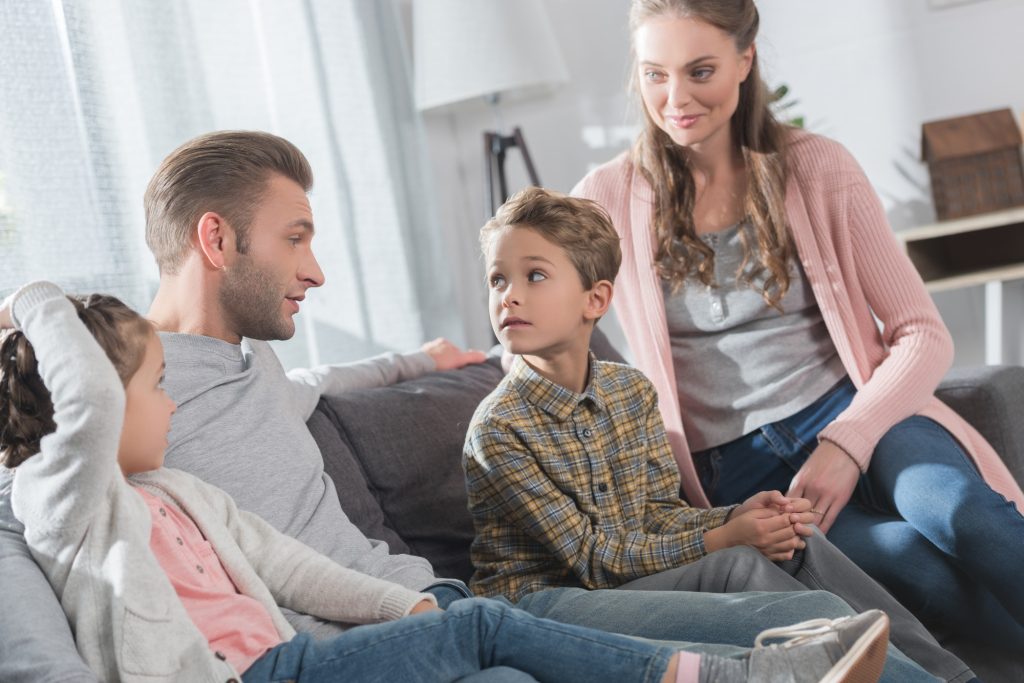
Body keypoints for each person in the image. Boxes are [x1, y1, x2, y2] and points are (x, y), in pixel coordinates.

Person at [0, 131, 928, 682]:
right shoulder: (113, 416)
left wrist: (429, 359)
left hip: (434, 600)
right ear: (216, 238)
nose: (316, 270)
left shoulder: (261, 368)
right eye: (296, 238)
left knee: (815, 623)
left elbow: (332, 380)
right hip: (368, 648)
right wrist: (28, 302)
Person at [572, 0, 1024, 650]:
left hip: (859, 413)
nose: (676, 98)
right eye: (655, 74)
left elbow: (922, 332)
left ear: (745, 59)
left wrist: (846, 443)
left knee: (958, 513)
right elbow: (541, 306)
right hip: (741, 472)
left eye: (700, 71)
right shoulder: (604, 198)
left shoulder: (816, 167)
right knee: (910, 562)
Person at [464, 186, 968, 683]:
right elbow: (594, 561)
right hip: (545, 604)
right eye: (497, 279)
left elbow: (656, 514)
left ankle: (955, 677)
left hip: (621, 579)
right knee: (739, 567)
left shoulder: (630, 391)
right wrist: (722, 538)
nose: (509, 295)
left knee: (798, 538)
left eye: (534, 275)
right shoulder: (498, 429)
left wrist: (739, 516)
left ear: (595, 299)